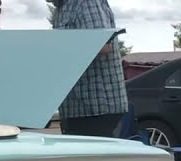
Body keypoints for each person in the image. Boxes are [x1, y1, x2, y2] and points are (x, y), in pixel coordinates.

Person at [52, 0, 127, 138]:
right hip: (78, 107)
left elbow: (102, 44)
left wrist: (54, 48)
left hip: (97, 107)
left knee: (94, 151)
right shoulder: (61, 8)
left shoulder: (85, 2)